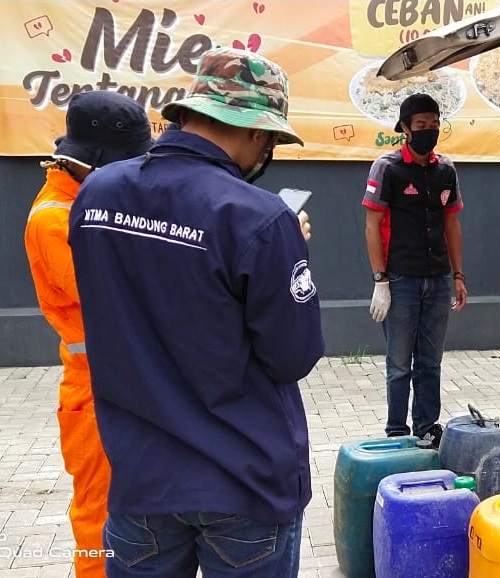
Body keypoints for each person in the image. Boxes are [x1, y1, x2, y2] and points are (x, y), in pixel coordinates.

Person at [67, 47, 324, 578]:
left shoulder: (95, 194)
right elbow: (292, 355)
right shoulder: (259, 217)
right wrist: (289, 253)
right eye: (272, 139)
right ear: (256, 131)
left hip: (140, 479)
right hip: (243, 480)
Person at [23, 90, 152, 578]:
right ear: (91, 163)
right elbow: (110, 288)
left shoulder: (89, 199)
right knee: (98, 515)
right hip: (93, 391)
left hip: (119, 381)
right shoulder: (54, 220)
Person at [362, 93, 467, 448]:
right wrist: (381, 280)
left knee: (430, 361)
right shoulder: (387, 168)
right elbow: (372, 225)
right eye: (421, 125)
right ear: (404, 128)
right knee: (399, 365)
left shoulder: (446, 170)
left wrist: (458, 275)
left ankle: (426, 426)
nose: (429, 131)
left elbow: (452, 225)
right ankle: (396, 431)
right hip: (400, 280)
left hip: (437, 279)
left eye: (434, 125)